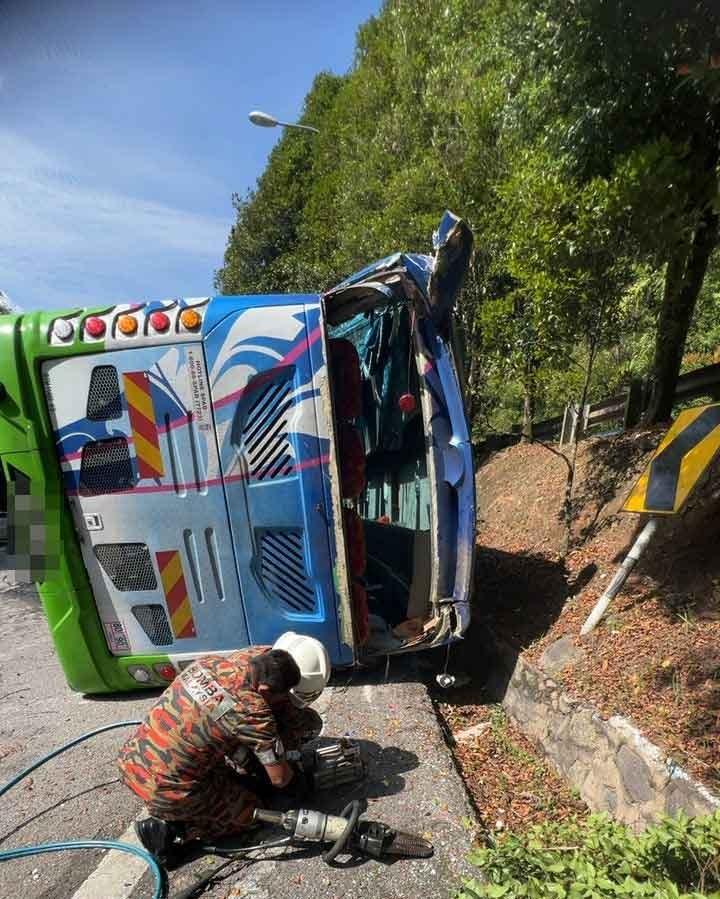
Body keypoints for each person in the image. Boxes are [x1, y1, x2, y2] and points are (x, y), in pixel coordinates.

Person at [117, 631, 330, 861]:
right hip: (167, 791)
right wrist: (297, 781)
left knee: (232, 765)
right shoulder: (253, 712)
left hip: (131, 760)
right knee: (253, 811)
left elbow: (223, 716)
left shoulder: (213, 662)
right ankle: (174, 829)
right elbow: (280, 779)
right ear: (267, 690)